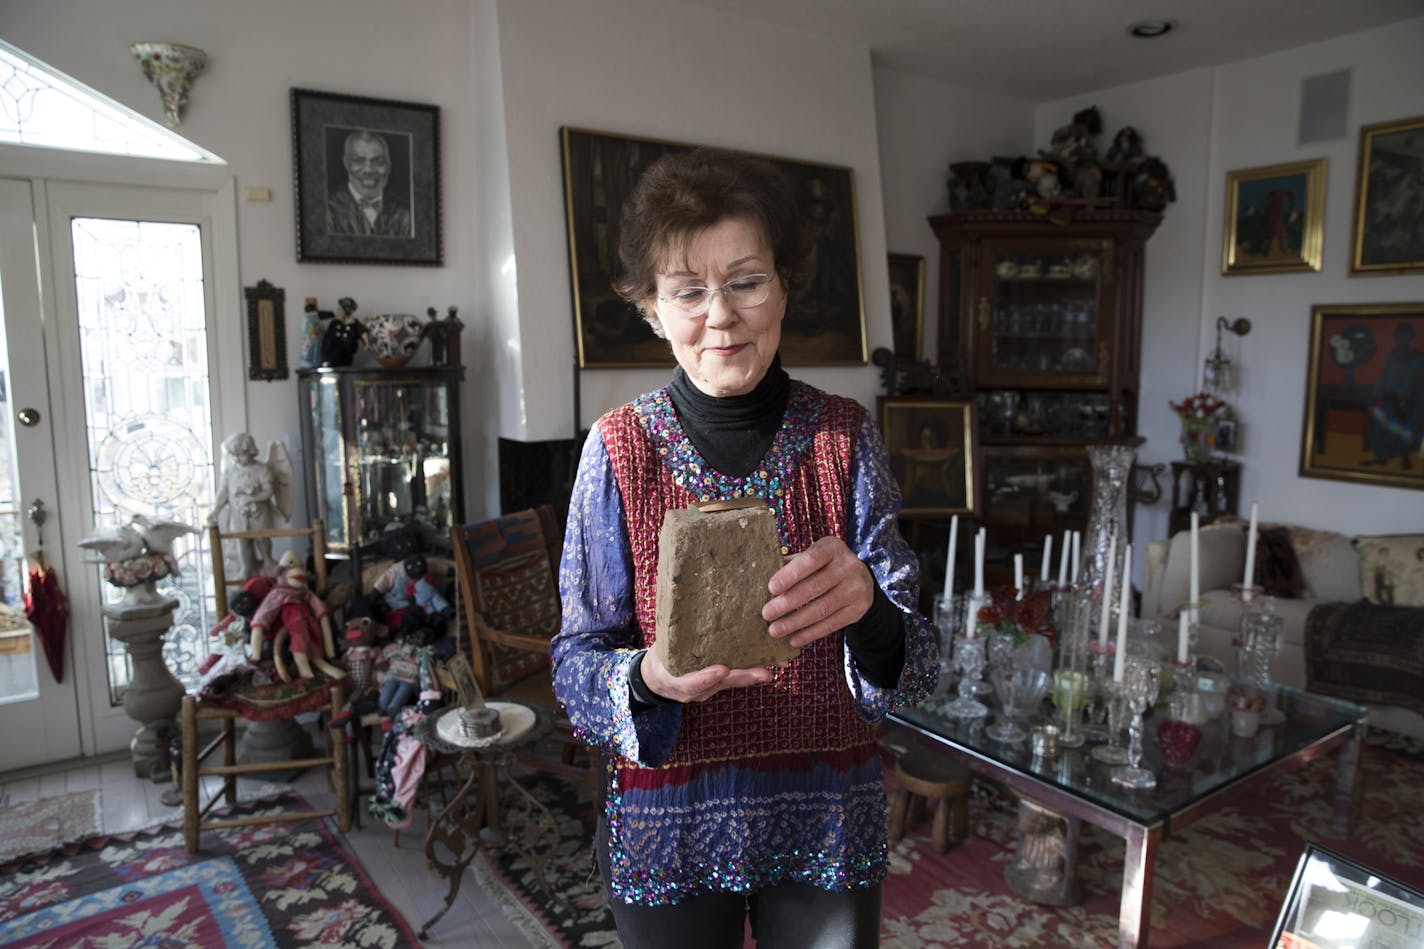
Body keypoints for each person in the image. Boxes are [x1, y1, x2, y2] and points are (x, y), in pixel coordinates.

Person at [551, 147, 937, 949]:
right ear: (653, 308)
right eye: (688, 290)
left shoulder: (845, 436)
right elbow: (575, 664)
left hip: (828, 821)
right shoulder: (618, 449)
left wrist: (868, 608)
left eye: (746, 281)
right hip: (670, 824)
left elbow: (919, 662)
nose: (719, 315)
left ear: (784, 288)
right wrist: (648, 677)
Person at [208, 432, 293, 578]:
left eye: (241, 455)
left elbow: (269, 491)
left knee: (262, 538)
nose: (237, 459)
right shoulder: (230, 471)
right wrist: (216, 510)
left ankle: (267, 561)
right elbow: (223, 492)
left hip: (258, 513)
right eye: (234, 455)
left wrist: (252, 498)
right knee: (243, 540)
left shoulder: (261, 469)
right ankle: (247, 567)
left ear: (251, 452)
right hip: (238, 514)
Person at [326, 129, 413, 238]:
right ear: (346, 164)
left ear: (389, 167)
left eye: (379, 162)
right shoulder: (327, 209)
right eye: (359, 161)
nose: (369, 170)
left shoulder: (406, 212)